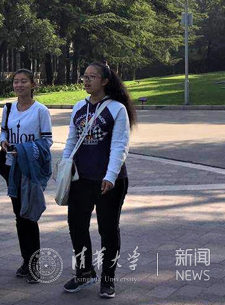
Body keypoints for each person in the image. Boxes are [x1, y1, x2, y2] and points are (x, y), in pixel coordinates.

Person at [62, 61, 135, 299]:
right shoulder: (79, 107)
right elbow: (71, 140)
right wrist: (65, 166)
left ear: (104, 81)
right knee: (77, 226)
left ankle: (108, 279)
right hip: (81, 179)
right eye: (84, 76)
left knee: (108, 230)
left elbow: (120, 145)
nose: (86, 80)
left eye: (91, 77)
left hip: (109, 181)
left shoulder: (116, 109)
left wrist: (110, 176)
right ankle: (84, 272)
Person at [0, 69, 53, 283]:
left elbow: (47, 141)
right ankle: (25, 260)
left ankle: (34, 264)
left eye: (23, 81)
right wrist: (4, 142)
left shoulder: (41, 111)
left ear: (33, 84)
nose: (19, 85)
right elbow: (3, 132)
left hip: (29, 170)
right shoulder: (8, 108)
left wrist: (25, 149)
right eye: (16, 82)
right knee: (19, 216)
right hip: (11, 168)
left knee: (29, 215)